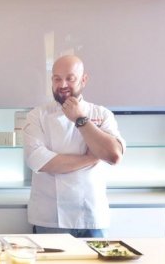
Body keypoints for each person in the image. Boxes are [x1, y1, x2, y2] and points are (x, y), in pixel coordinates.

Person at [23, 55, 125, 238]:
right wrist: (91, 157)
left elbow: (114, 155)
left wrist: (80, 119)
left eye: (70, 78)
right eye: (57, 78)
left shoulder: (101, 114)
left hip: (92, 216)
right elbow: (38, 161)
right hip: (50, 218)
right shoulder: (37, 116)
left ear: (84, 80)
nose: (63, 85)